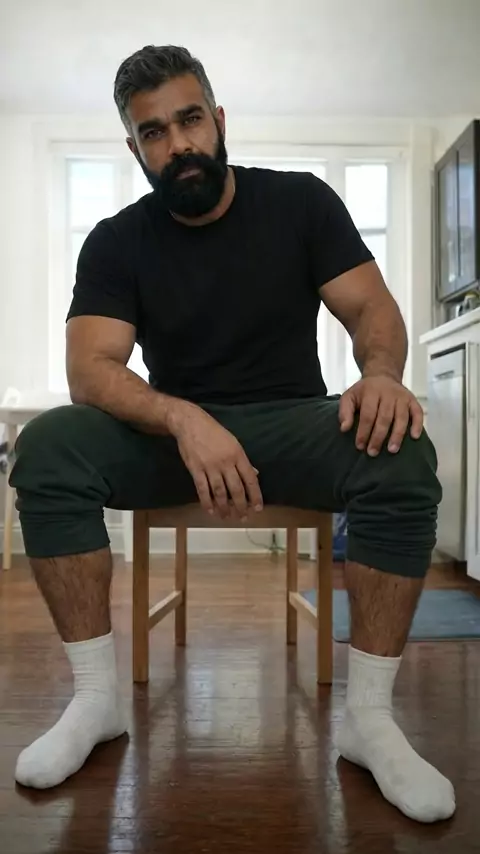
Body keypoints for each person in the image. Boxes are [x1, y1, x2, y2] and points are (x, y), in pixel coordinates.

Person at [9, 44, 455, 822]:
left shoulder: (302, 203)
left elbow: (370, 311)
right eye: (153, 132)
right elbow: (92, 369)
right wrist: (183, 417)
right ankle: (96, 701)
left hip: (294, 420)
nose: (177, 143)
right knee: (47, 449)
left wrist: (382, 373)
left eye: (189, 120)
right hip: (172, 439)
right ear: (135, 150)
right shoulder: (117, 240)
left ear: (218, 120)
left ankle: (368, 717)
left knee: (402, 449)